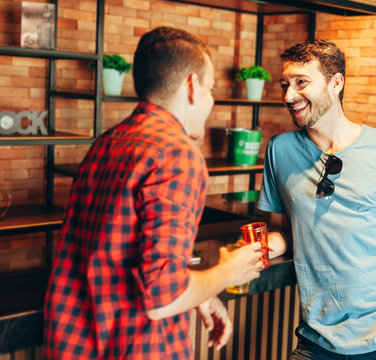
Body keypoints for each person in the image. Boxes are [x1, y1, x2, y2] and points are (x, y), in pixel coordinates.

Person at [43, 27, 266, 359]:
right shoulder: (178, 154)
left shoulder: (108, 142)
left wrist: (201, 294)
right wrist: (228, 272)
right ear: (192, 86)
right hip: (136, 347)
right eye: (210, 89)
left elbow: (118, 252)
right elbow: (163, 298)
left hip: (75, 342)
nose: (212, 101)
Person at [258, 40, 376, 359]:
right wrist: (265, 246)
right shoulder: (280, 150)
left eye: (302, 82)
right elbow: (285, 231)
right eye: (285, 84)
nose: (288, 96)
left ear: (336, 82)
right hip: (318, 337)